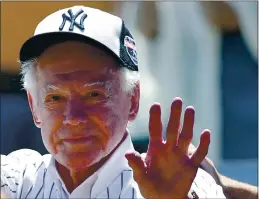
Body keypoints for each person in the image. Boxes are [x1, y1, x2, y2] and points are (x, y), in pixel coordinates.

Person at [1, 6, 226, 199]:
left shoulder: (182, 183)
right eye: (55, 98)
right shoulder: (19, 178)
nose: (74, 118)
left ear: (133, 100)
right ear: (34, 106)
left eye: (94, 95)